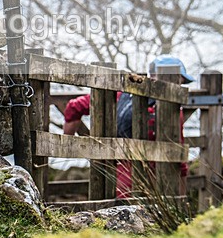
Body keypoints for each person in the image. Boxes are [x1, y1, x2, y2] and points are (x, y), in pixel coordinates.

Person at [63, 55, 194, 197]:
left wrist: (66, 145)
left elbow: (74, 107)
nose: (179, 87)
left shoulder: (121, 95)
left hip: (112, 177)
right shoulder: (173, 112)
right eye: (178, 82)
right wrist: (181, 201)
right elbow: (179, 162)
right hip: (149, 183)